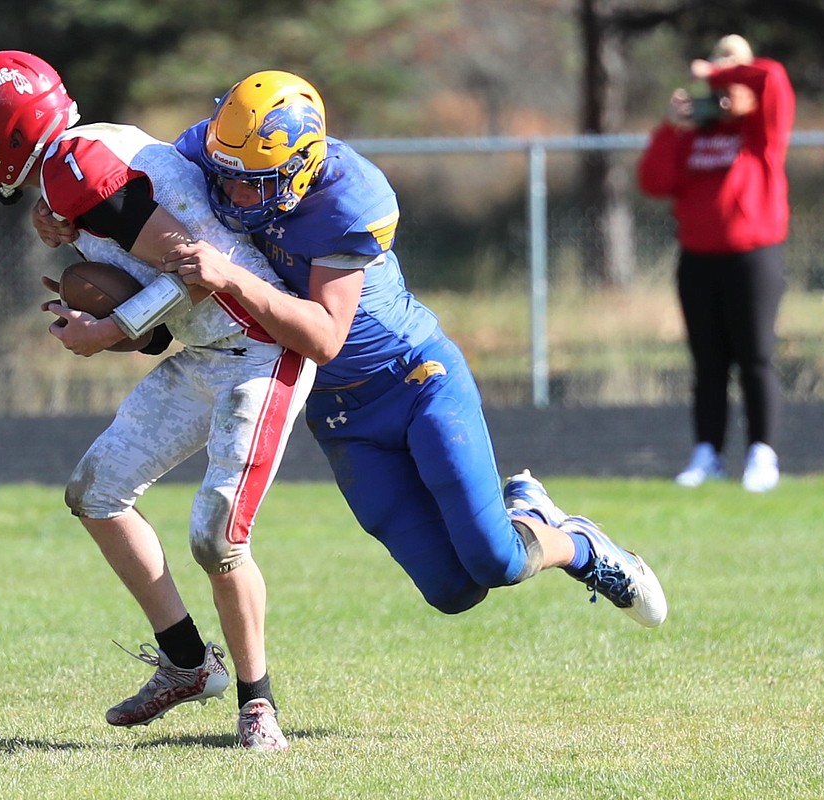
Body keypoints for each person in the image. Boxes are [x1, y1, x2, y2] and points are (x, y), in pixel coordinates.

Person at [82, 70, 667, 629]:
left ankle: (576, 544)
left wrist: (231, 278)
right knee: (452, 592)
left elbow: (325, 336)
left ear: (302, 167)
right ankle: (529, 523)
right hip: (338, 412)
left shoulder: (349, 196)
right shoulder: (218, 151)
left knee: (497, 562)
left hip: (412, 378)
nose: (231, 191)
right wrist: (65, 213)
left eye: (251, 181)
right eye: (224, 172)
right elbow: (133, 176)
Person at [0, 51, 316, 751]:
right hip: (210, 350)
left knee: (217, 538)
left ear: (14, 131)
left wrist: (106, 329)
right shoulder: (81, 156)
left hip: (258, 349)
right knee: (96, 491)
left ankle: (256, 704)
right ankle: (184, 662)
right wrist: (69, 237)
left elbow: (199, 271)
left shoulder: (75, 165)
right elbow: (151, 263)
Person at [638, 35, 794, 493]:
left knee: (755, 357)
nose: (724, 87)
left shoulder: (761, 129)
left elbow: (772, 77)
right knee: (708, 363)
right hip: (699, 260)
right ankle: (707, 453)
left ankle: (762, 455)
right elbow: (653, 181)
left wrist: (718, 71)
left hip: (753, 258)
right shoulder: (697, 135)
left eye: (732, 73)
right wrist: (672, 127)